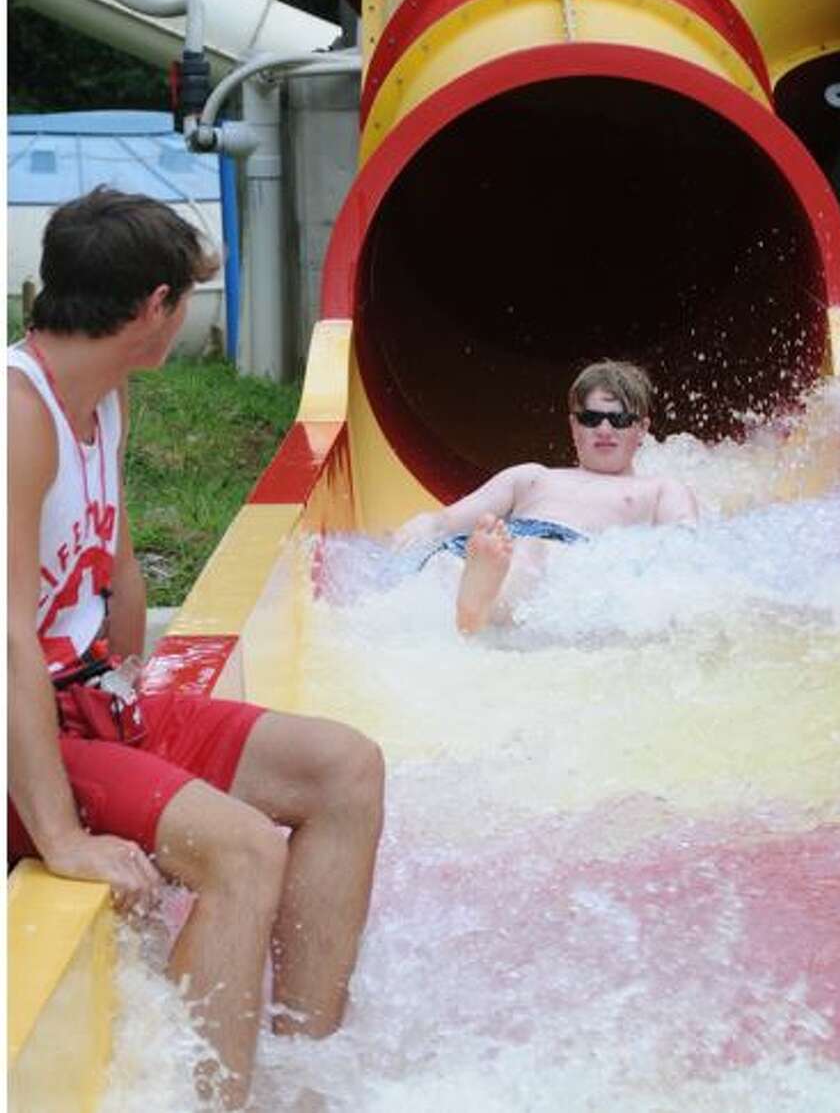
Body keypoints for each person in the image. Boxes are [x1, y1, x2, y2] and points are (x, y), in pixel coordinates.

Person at [7, 189, 385, 1108]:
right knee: (244, 850)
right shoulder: (18, 418)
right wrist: (61, 833)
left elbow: (118, 570)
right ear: (155, 307)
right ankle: (205, 1101)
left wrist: (134, 703)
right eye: (185, 302)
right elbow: (8, 632)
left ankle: (301, 1074)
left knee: (345, 769)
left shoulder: (104, 400)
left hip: (93, 709)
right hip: (30, 734)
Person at [395, 359, 699, 632]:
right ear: (573, 426)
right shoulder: (532, 477)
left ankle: (479, 604)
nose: (604, 429)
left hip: (571, 554)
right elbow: (447, 520)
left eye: (618, 420)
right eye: (591, 418)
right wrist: (423, 525)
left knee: (533, 553)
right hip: (500, 547)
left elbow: (685, 547)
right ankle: (477, 598)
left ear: (642, 428)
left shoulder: (660, 489)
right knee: (444, 561)